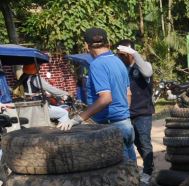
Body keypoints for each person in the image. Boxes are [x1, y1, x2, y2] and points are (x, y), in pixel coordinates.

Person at [58, 28, 136, 161]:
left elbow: (106, 98)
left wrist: (78, 119)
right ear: (108, 43)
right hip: (126, 124)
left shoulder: (97, 65)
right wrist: (123, 113)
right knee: (131, 171)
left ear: (86, 46)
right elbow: (128, 93)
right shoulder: (119, 62)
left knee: (119, 173)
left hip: (111, 127)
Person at [116, 39, 154, 175]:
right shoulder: (121, 69)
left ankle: (149, 172)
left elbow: (148, 73)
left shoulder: (144, 66)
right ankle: (141, 170)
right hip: (127, 113)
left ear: (132, 53)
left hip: (143, 112)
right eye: (120, 54)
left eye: (124, 54)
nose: (121, 57)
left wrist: (134, 53)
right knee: (135, 143)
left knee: (144, 143)